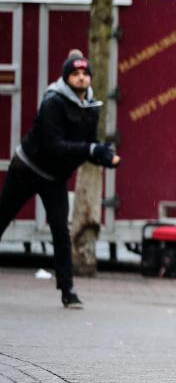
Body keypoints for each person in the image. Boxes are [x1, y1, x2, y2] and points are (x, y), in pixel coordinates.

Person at [0, 53, 119, 308]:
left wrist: (103, 156)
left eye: (85, 73)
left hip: (54, 178)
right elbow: (55, 146)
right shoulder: (53, 101)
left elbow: (85, 146)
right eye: (75, 74)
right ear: (67, 77)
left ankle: (68, 291)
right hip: (27, 168)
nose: (81, 77)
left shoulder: (91, 107)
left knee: (60, 232)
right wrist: (90, 150)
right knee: (2, 217)